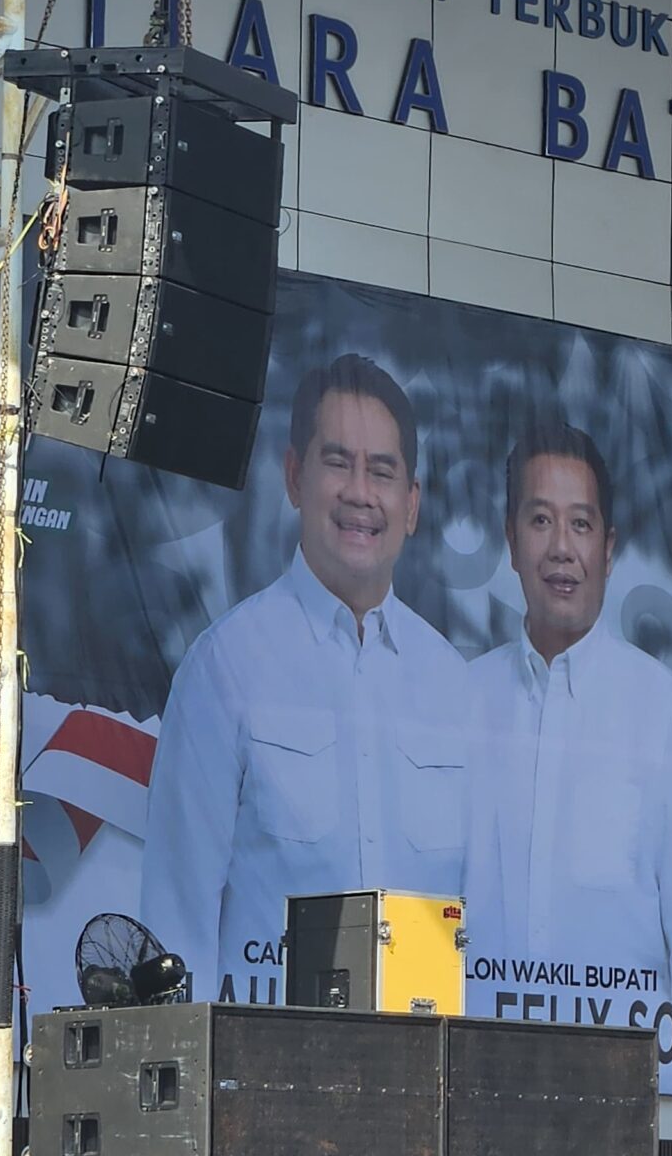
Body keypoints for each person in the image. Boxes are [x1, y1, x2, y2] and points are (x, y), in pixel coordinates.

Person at [141, 354, 468, 1004]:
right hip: (266, 1087)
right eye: (337, 462)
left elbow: (483, 933)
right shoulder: (226, 666)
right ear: (294, 476)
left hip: (426, 1083)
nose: (359, 493)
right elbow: (175, 925)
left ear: (412, 504)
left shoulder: (456, 690)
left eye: (382, 470)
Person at [463, 418, 672, 1005]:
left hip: (620, 1080)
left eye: (580, 524)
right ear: (510, 540)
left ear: (607, 550)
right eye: (540, 520)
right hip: (471, 1071)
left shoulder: (661, 709)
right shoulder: (462, 702)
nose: (561, 548)